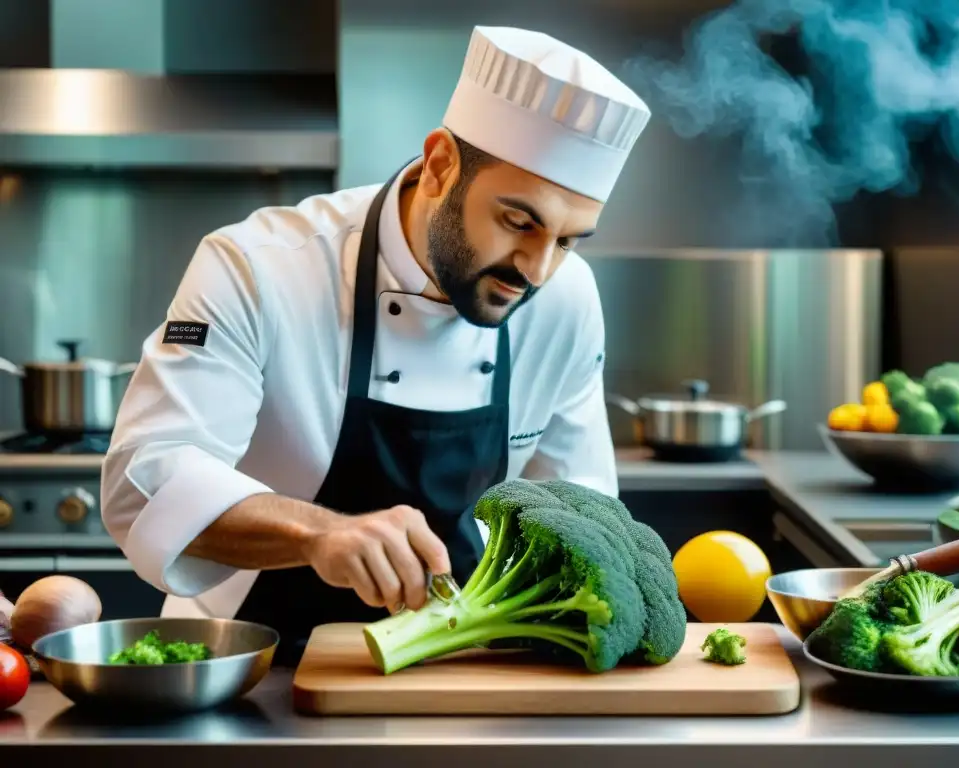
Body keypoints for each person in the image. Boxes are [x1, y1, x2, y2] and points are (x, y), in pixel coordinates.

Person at [100, 25, 651, 665]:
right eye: (518, 222)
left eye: (568, 240)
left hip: (459, 669)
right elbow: (142, 482)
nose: (536, 270)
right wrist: (318, 533)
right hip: (249, 668)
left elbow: (584, 514)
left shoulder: (566, 298)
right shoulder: (259, 266)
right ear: (441, 164)